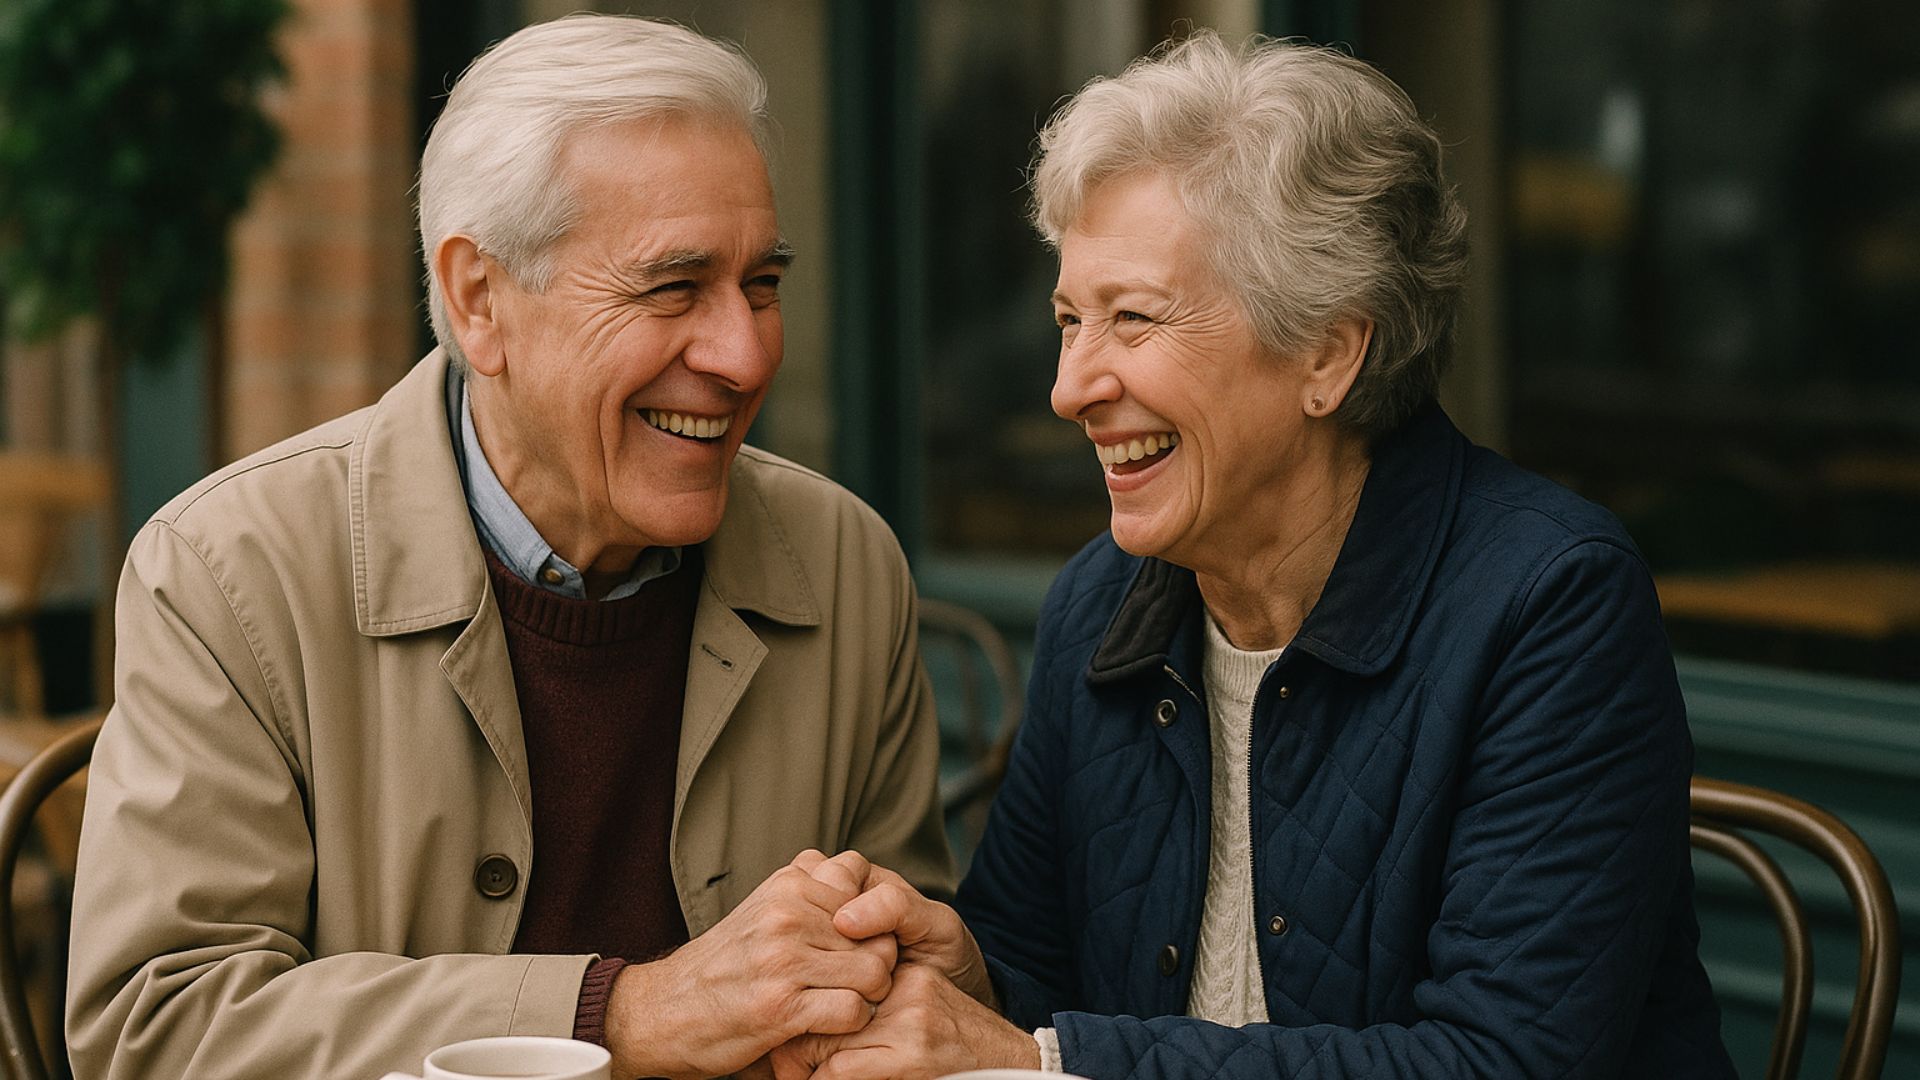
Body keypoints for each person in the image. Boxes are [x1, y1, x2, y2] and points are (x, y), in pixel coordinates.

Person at [771, 31, 1736, 1080]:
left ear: (1328, 349)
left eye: (1131, 319)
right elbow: (1035, 986)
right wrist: (968, 976)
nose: (1069, 388)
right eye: (1067, 321)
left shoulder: (1550, 603)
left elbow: (1502, 1061)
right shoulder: (1105, 603)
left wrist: (1047, 1057)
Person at [66, 15, 952, 1080]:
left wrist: (926, 978)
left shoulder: (849, 565)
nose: (745, 350)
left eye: (762, 284)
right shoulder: (224, 573)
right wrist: (621, 1012)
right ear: (477, 299)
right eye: (672, 288)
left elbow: (922, 990)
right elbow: (158, 1027)